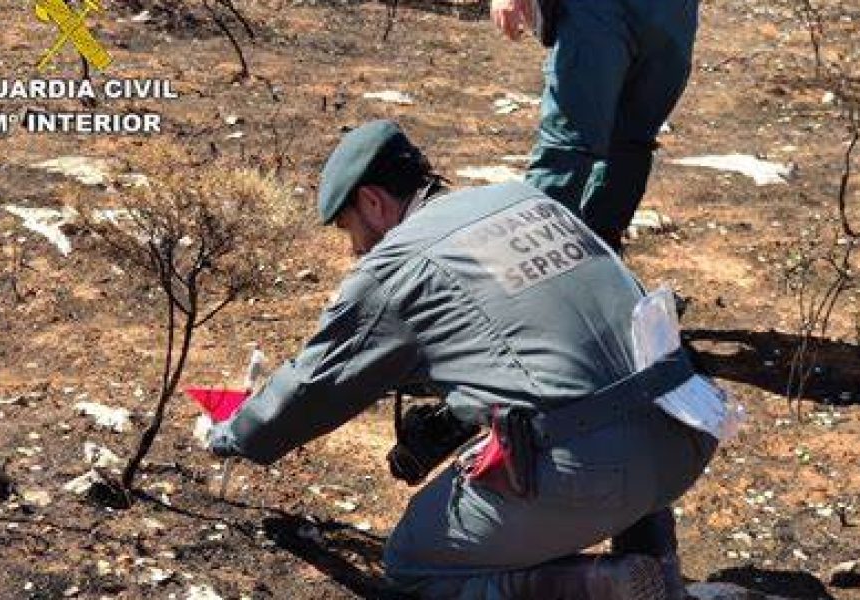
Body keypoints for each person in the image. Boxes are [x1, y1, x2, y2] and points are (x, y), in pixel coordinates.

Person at [210, 120, 725, 599]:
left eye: (350, 232)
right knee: (613, 382)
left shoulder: (398, 265)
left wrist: (233, 434)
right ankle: (657, 559)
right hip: (687, 430)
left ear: (372, 202)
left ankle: (599, 585)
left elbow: (313, 387)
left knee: (413, 563)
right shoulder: (526, 200)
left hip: (594, 469)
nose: (354, 252)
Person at [490, 0, 700, 254]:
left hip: (672, 15)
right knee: (567, 150)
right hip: (599, 11)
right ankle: (534, 266)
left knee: (631, 146)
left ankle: (598, 261)